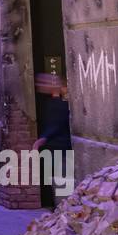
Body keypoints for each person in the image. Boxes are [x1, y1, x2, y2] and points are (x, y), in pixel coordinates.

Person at [33, 72, 72, 208]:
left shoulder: (61, 102)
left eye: (45, 82)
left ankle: (63, 212)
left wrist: (43, 138)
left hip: (61, 148)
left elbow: (58, 122)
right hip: (54, 148)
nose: (40, 85)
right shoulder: (49, 101)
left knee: (62, 182)